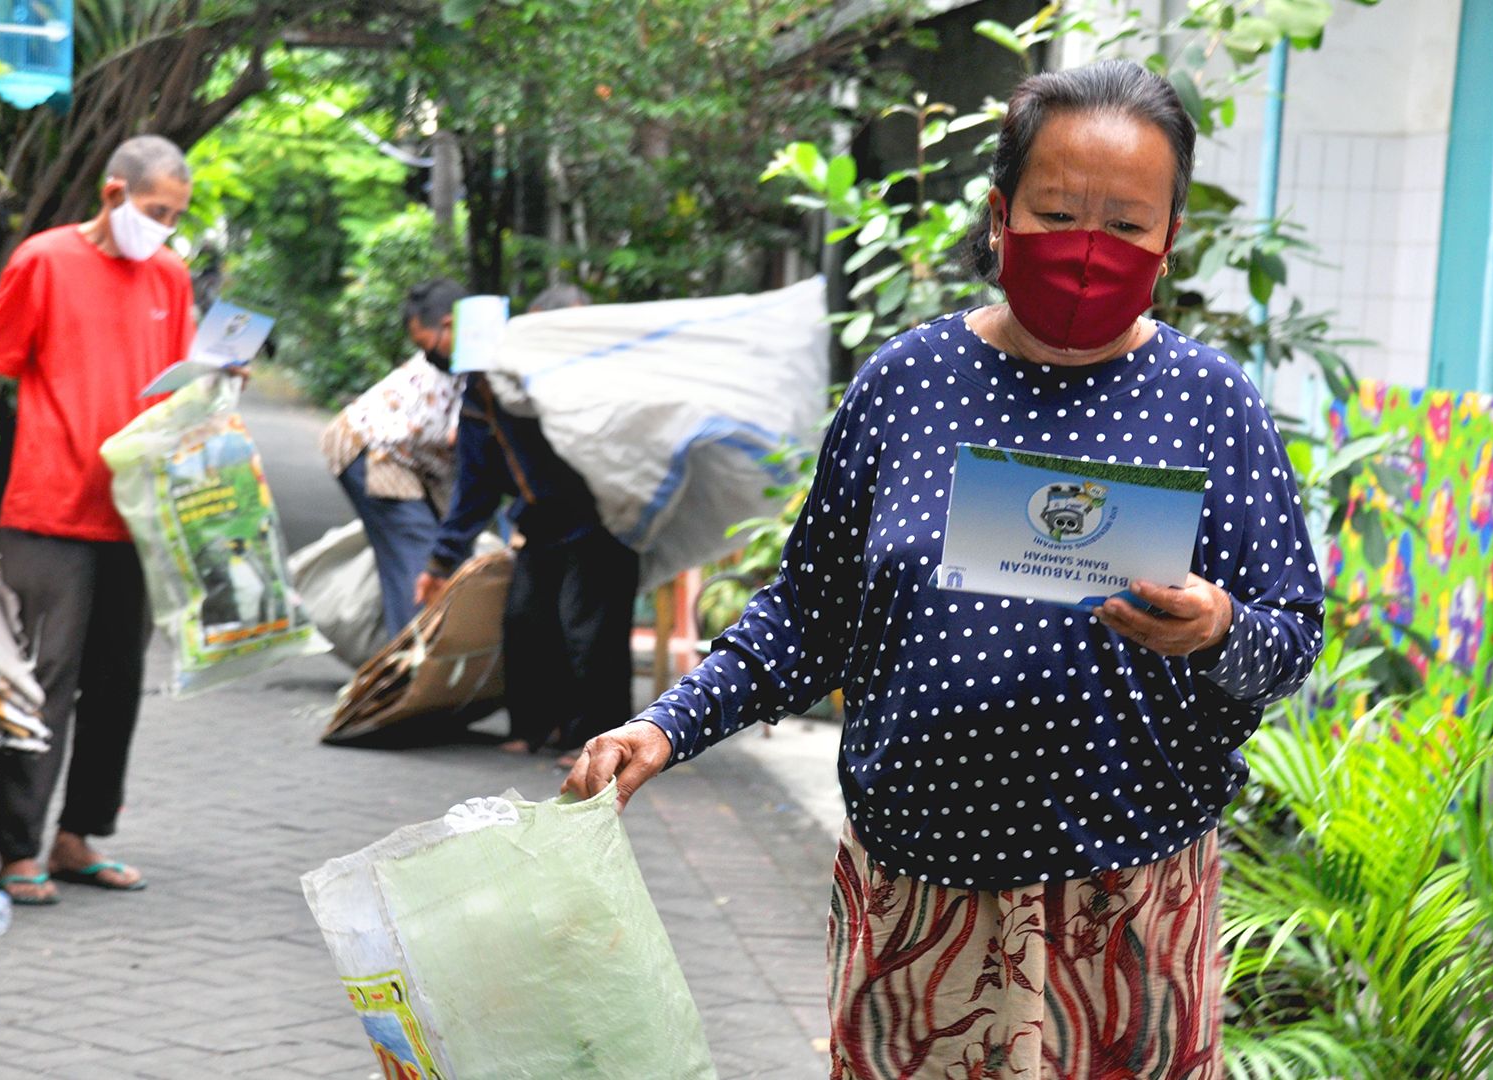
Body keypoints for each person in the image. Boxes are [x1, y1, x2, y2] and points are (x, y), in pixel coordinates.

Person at [564, 60, 1325, 1079]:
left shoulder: (1209, 405)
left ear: (1171, 238)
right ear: (1001, 211)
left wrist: (1220, 629)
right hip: (921, 903)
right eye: (1057, 212)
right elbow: (810, 612)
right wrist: (665, 724)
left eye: (1128, 225)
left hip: (1128, 907)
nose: (1090, 250)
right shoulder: (909, 386)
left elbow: (1291, 637)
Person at [0, 135, 201, 904]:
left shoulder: (170, 276)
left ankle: (79, 839)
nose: (165, 227)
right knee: (44, 682)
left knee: (118, 685)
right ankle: (18, 850)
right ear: (112, 194)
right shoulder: (44, 260)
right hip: (49, 511)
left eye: (176, 215)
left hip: (134, 517)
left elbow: (177, 394)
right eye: (155, 210)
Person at [416, 284, 640, 761]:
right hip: (541, 520)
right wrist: (440, 561)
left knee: (586, 629)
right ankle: (535, 727)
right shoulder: (482, 393)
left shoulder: (591, 379)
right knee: (524, 621)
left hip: (603, 518)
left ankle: (597, 739)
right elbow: (474, 488)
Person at [321, 279, 465, 640]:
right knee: (420, 556)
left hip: (414, 461)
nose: (428, 354)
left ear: (449, 324)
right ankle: (409, 672)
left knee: (435, 558)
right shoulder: (455, 357)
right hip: (370, 448)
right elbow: (458, 440)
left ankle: (410, 657)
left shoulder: (478, 355)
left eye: (426, 344)